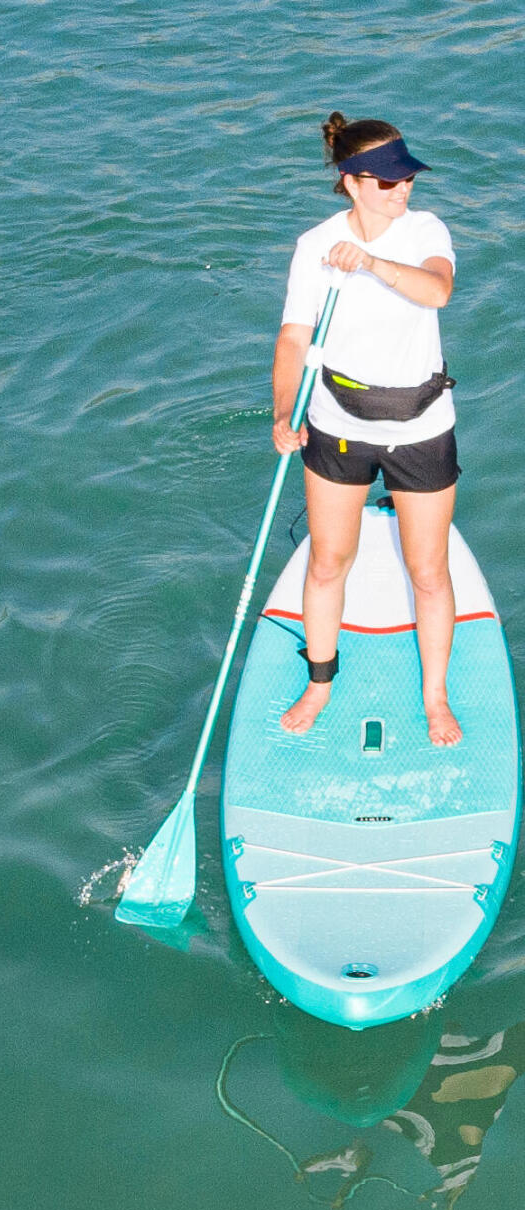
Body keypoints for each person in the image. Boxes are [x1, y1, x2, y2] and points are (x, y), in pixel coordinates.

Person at [272, 114, 460, 744]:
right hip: (337, 425)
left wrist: (373, 263)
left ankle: (435, 697)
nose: (401, 188)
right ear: (351, 183)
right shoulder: (314, 245)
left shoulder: (425, 229)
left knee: (428, 571)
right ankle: (320, 682)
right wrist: (281, 411)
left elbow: (437, 292)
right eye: (385, 181)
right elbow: (295, 337)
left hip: (421, 428)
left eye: (406, 176)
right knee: (328, 563)